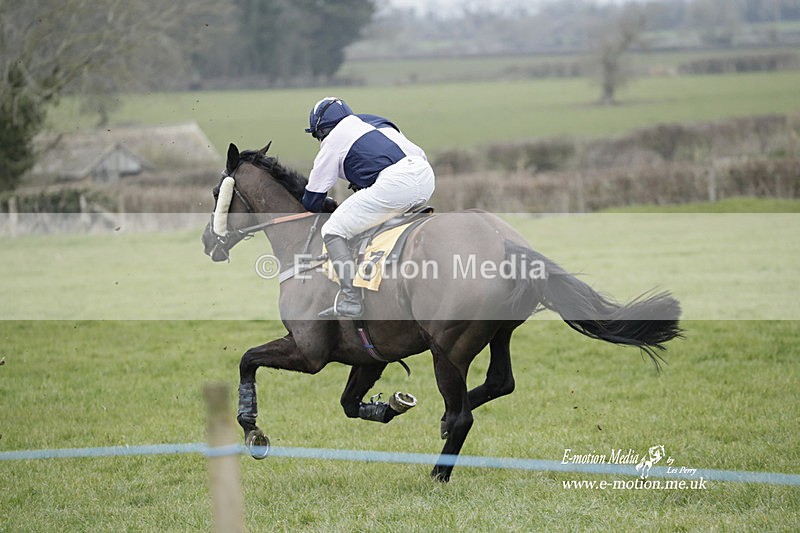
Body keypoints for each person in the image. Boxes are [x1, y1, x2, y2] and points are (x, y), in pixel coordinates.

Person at [302, 96, 435, 318]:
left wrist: (326, 203)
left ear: (321, 130)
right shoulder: (376, 121)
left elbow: (312, 199)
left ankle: (350, 297)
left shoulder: (332, 140)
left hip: (395, 184)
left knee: (333, 229)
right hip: (426, 176)